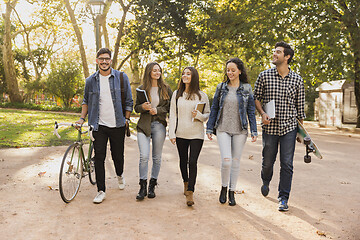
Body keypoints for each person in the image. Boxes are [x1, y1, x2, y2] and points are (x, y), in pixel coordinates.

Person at [76, 48, 133, 204]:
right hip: (98, 126)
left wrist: (126, 119)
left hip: (118, 125)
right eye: (101, 59)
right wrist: (82, 118)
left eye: (107, 58)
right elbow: (86, 101)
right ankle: (101, 190)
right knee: (99, 157)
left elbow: (129, 101)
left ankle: (119, 174)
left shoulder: (122, 77)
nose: (104, 61)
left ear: (111, 61)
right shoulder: (90, 81)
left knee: (117, 157)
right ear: (97, 61)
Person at [253, 41, 305, 211]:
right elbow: (256, 98)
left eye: (278, 52)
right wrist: (262, 113)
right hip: (270, 128)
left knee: (287, 163)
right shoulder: (264, 76)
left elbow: (300, 107)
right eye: (274, 51)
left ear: (287, 57)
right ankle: (266, 181)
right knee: (268, 161)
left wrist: (300, 132)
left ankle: (283, 197)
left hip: (289, 127)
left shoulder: (297, 79)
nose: (274, 54)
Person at [206, 57, 257, 206]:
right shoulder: (221, 87)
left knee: (235, 161)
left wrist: (254, 130)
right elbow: (214, 107)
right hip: (223, 128)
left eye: (233, 70)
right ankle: (223, 187)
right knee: (226, 160)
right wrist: (210, 127)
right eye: (228, 70)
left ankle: (231, 191)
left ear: (240, 71)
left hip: (240, 130)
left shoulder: (247, 88)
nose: (230, 73)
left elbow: (251, 111)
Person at [168, 67, 210, 206]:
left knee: (192, 162)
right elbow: (173, 114)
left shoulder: (201, 95)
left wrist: (198, 115)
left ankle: (190, 192)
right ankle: (186, 183)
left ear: (194, 77)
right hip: (181, 133)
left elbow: (206, 115)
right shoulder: (177, 94)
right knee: (183, 160)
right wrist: (172, 133)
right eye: (183, 74)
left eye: (188, 74)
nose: (185, 76)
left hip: (196, 133)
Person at [134, 62, 172, 201]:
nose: (157, 72)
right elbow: (136, 108)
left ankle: (152, 185)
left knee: (156, 157)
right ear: (149, 72)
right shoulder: (141, 89)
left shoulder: (166, 89)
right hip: (143, 125)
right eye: (154, 70)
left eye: (159, 70)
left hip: (159, 124)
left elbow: (170, 107)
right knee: (144, 156)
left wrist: (158, 110)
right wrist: (142, 107)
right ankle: (142, 186)